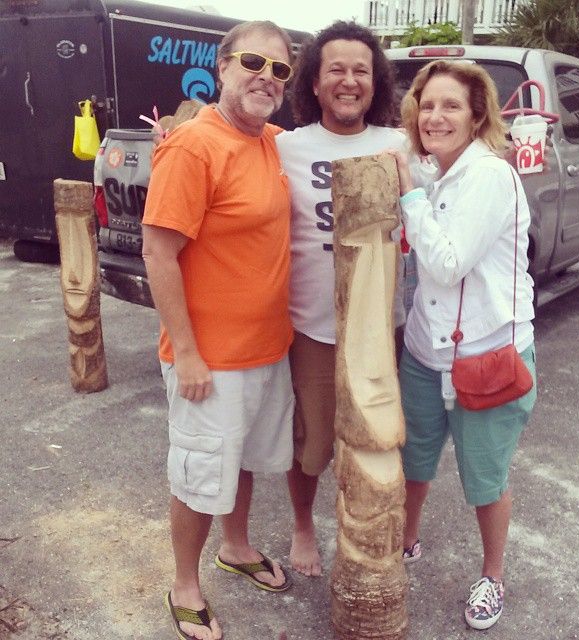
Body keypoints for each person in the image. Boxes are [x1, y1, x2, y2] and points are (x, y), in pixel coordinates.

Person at [142, 21, 296, 640]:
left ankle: (236, 547)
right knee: (199, 476)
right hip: (208, 360)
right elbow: (158, 253)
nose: (267, 77)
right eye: (255, 62)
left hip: (267, 349)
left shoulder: (273, 142)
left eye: (280, 69)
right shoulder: (194, 146)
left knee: (243, 461)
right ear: (224, 65)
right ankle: (185, 584)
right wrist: (186, 353)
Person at [389, 60, 537, 631]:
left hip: (487, 356)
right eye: (426, 105)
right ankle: (405, 541)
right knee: (414, 460)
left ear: (477, 116)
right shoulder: (434, 172)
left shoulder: (490, 177)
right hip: (426, 353)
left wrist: (409, 198)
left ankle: (493, 576)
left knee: (485, 478)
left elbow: (448, 263)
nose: (435, 116)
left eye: (451, 105)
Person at [275, 20, 410, 577]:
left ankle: (369, 525)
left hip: (381, 325)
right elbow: (226, 147)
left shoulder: (398, 146)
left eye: (361, 71)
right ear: (314, 81)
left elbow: (453, 173)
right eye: (336, 70)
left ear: (376, 83)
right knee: (311, 447)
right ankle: (303, 525)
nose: (349, 81)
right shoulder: (284, 146)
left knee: (375, 436)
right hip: (311, 325)